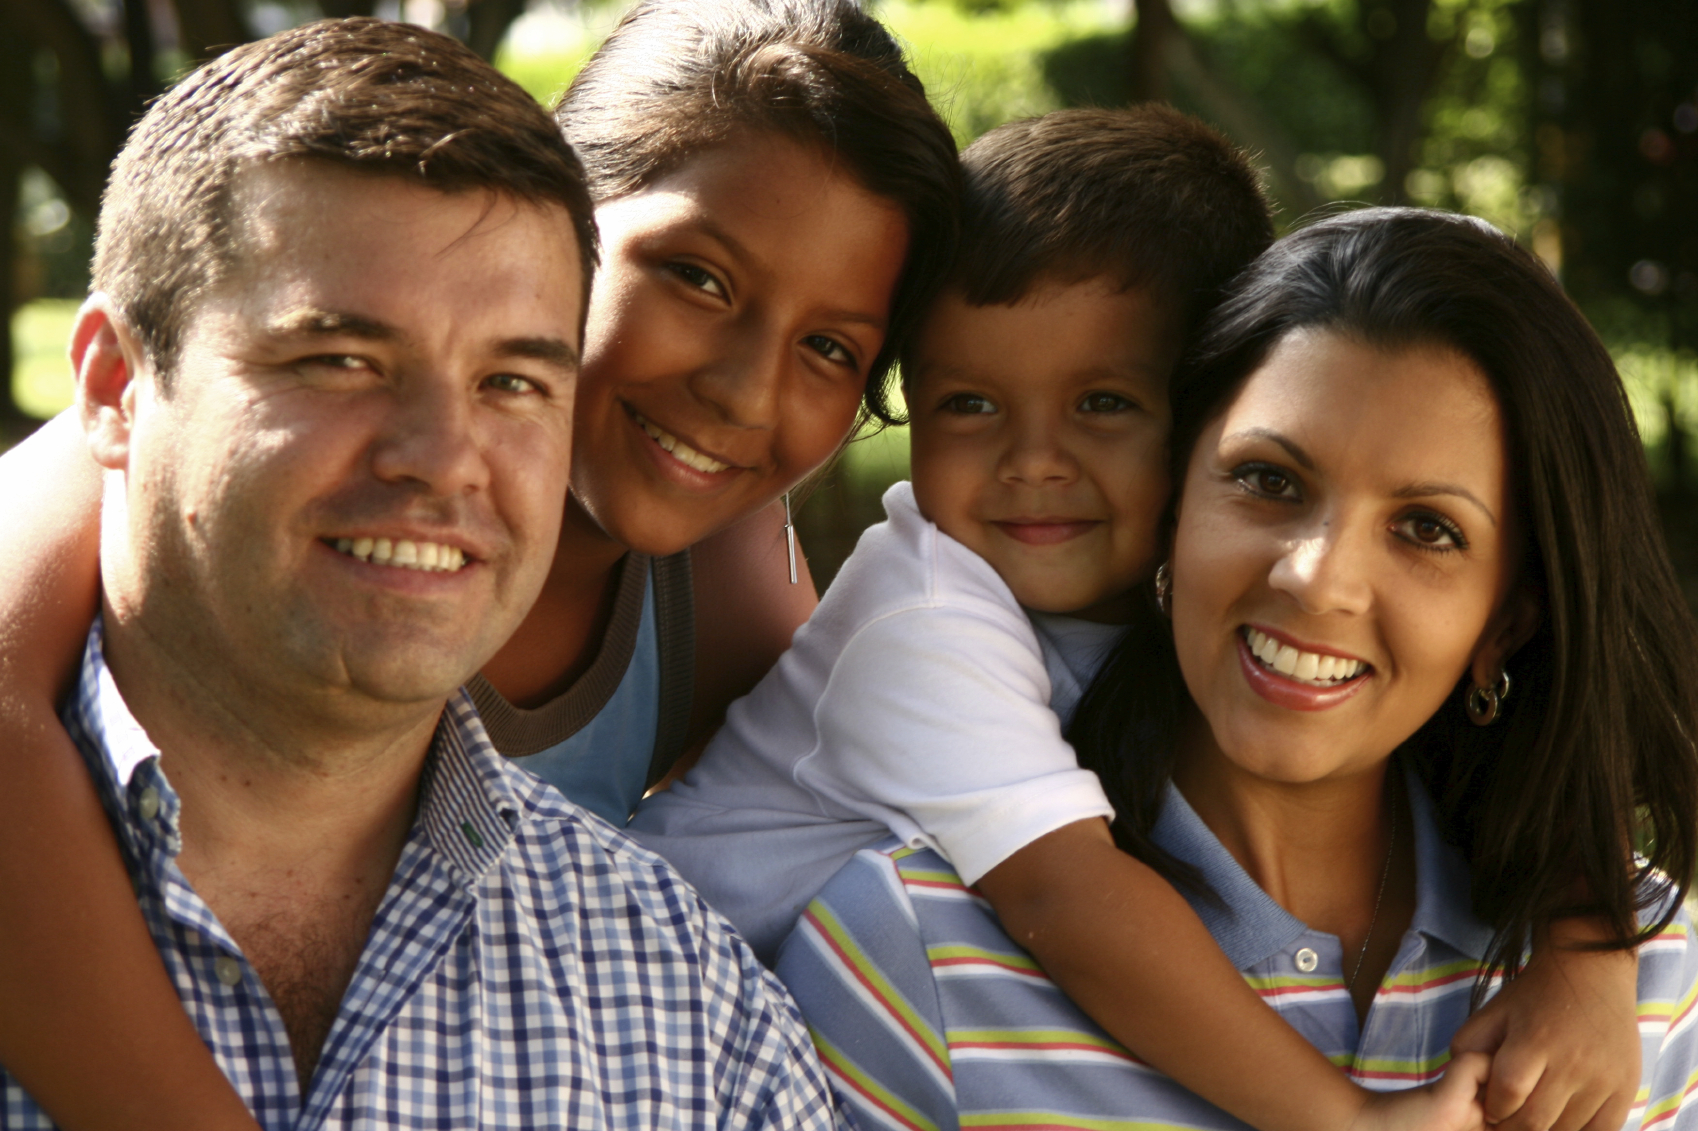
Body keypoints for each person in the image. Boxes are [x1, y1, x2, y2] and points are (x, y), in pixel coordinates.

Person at [0, 3, 958, 1128]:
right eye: (699, 279)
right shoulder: (165, 434)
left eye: (832, 348)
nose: (746, 392)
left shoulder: (734, 597)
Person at [635, 112, 1644, 1131]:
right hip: (636, 1032)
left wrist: (1590, 954)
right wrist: (1352, 1121)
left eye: (1104, 404)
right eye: (969, 405)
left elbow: (1544, 748)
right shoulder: (926, 623)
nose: (1034, 463)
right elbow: (1068, 902)